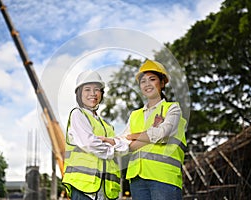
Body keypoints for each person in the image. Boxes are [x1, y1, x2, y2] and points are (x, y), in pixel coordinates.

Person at [122, 60, 187, 200]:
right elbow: (125, 143)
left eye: (152, 79)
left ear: (162, 83)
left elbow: (163, 134)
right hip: (137, 179)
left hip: (164, 177)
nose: (147, 84)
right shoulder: (135, 115)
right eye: (143, 81)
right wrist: (149, 135)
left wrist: (134, 136)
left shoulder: (172, 108)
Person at [62, 70, 129, 200]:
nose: (93, 94)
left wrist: (118, 145)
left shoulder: (106, 125)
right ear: (79, 93)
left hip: (105, 189)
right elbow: (90, 143)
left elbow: (123, 144)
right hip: (84, 188)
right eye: (87, 89)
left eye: (97, 89)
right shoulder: (78, 114)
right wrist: (115, 149)